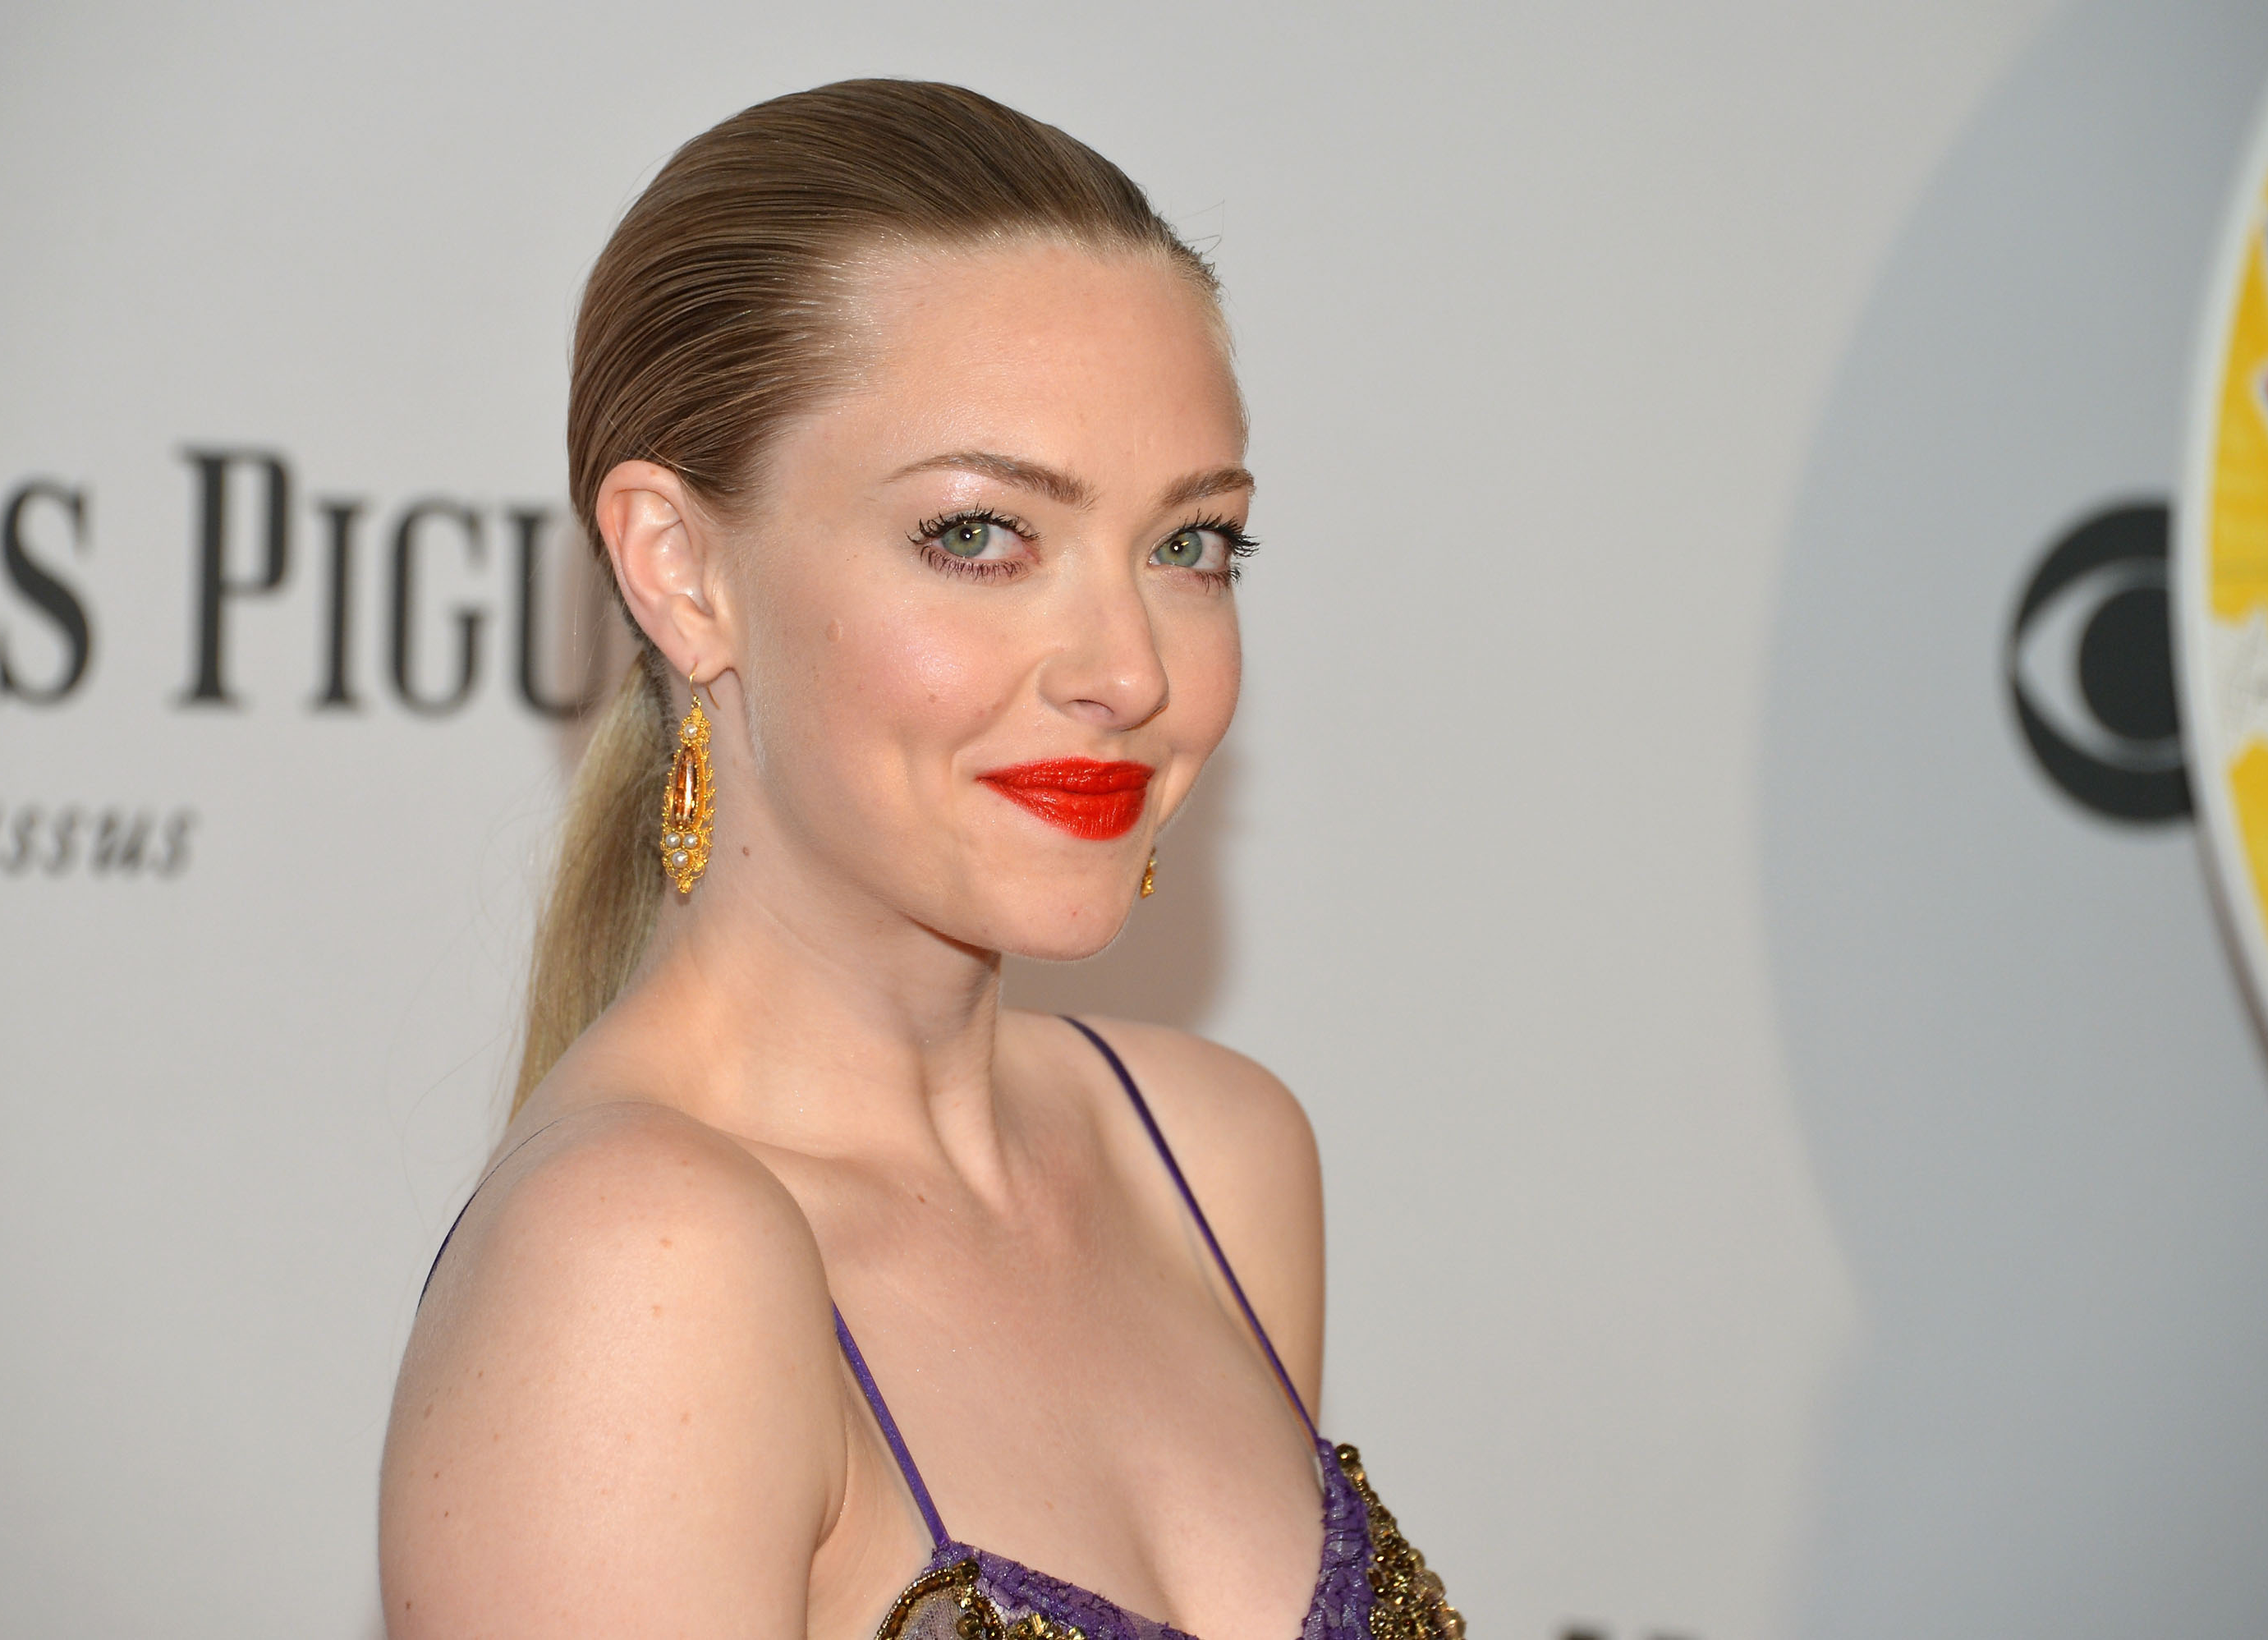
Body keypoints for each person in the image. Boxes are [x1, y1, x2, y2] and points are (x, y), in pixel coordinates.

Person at [379, 80, 1462, 1640]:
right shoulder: (637, 1269)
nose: (1129, 670)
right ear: (681, 572)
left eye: (1191, 544)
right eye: (980, 535)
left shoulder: (1214, 1158)